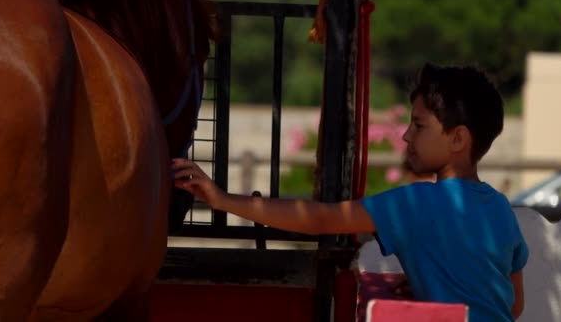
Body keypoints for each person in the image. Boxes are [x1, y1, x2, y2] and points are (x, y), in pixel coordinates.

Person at [172, 63, 528, 322]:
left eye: (418, 125)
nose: (405, 136)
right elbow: (513, 305)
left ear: (458, 138)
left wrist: (223, 199)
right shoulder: (500, 208)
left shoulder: (415, 203)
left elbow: (321, 218)